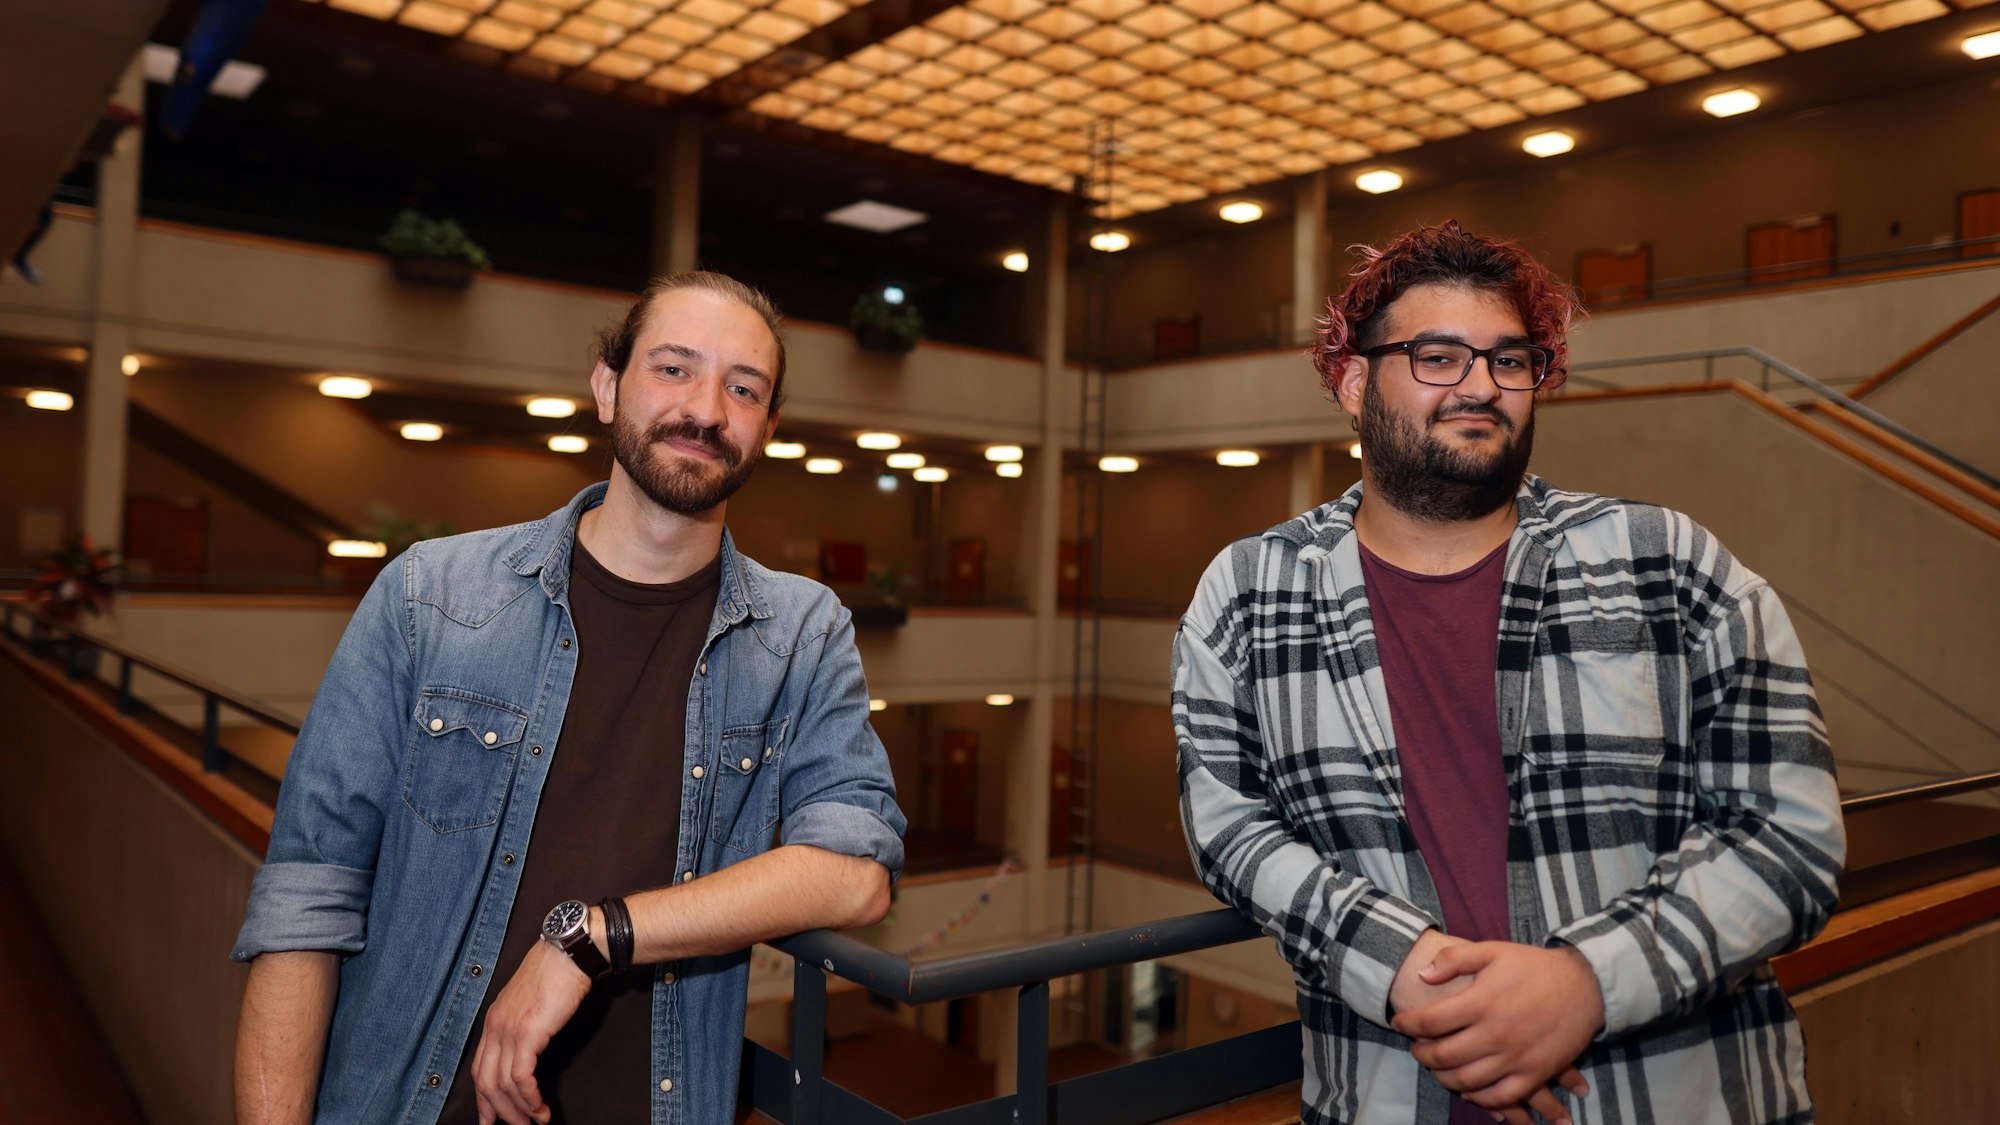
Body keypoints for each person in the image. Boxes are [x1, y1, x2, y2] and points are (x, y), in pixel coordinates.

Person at [1174, 222, 1844, 1125]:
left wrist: (1585, 984)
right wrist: (1398, 961)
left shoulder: (1669, 564)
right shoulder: (1250, 591)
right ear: (1354, 381)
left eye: (1511, 359)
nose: (1482, 385)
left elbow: (1790, 833)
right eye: (1439, 355)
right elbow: (1227, 826)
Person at [232, 271, 907, 1125]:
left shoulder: (802, 634)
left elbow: (855, 873)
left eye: (744, 388)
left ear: (767, 429)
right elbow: (306, 900)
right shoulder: (428, 597)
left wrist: (591, 936)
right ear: (606, 385)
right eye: (674, 369)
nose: (706, 409)